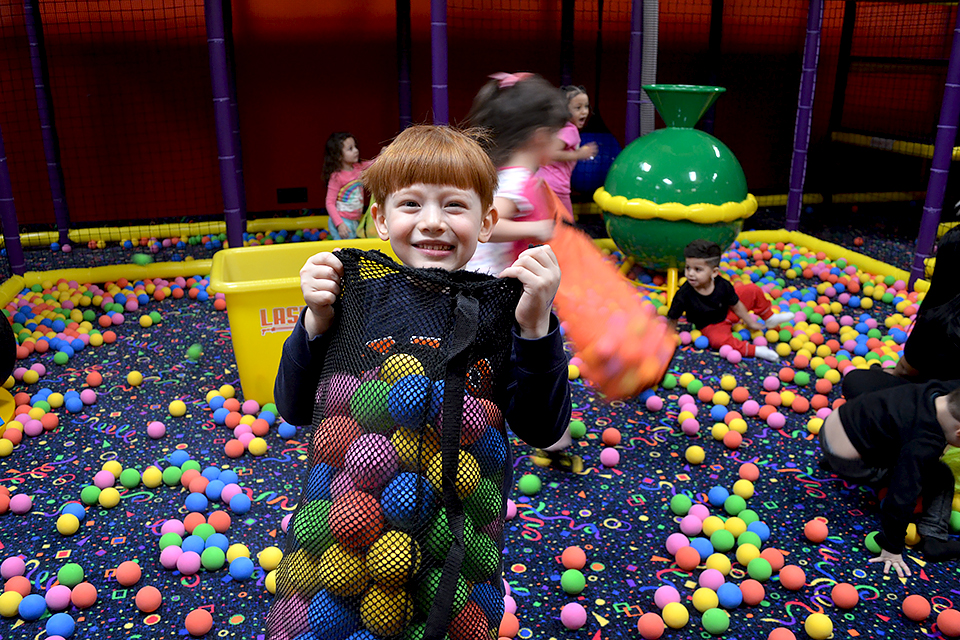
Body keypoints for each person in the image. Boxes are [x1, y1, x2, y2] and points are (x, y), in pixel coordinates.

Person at [272, 125, 572, 638]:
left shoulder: (500, 312)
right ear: (380, 220)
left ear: (487, 222)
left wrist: (536, 327)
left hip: (455, 542)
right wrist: (314, 323)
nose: (432, 222)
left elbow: (543, 429)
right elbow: (294, 409)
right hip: (347, 538)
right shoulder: (357, 302)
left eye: (454, 206)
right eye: (411, 205)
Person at [818, 379, 960, 578]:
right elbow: (903, 493)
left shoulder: (937, 391)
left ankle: (833, 461)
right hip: (850, 463)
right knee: (941, 474)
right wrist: (892, 547)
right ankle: (935, 538)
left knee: (894, 428)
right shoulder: (925, 443)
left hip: (833, 426)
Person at [465, 72, 570, 278]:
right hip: (488, 280)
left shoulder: (506, 174)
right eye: (557, 135)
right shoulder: (517, 181)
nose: (561, 143)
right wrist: (537, 228)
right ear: (539, 137)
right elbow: (484, 224)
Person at [842, 224, 960, 399]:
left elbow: (906, 370)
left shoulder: (941, 317)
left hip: (944, 404)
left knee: (858, 382)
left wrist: (887, 373)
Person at [666, 239, 792, 362]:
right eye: (688, 268)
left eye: (697, 269)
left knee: (752, 289)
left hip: (728, 311)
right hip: (711, 325)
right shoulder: (684, 294)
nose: (690, 274)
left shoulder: (722, 285)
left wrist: (750, 322)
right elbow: (673, 317)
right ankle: (756, 350)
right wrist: (668, 337)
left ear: (714, 272)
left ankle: (769, 318)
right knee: (718, 341)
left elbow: (736, 305)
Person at [534, 85, 599, 216]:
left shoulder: (558, 128)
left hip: (542, 181)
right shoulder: (570, 130)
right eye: (578, 108)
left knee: (547, 220)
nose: (584, 112)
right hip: (556, 186)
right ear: (565, 111)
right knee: (567, 225)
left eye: (586, 106)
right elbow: (551, 153)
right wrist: (578, 154)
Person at [322, 131, 375, 240]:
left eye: (355, 147)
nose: (356, 150)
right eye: (350, 149)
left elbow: (374, 163)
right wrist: (339, 224)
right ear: (338, 156)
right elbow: (329, 202)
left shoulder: (359, 167)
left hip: (355, 220)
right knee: (346, 250)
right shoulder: (337, 177)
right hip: (342, 220)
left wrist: (384, 155)